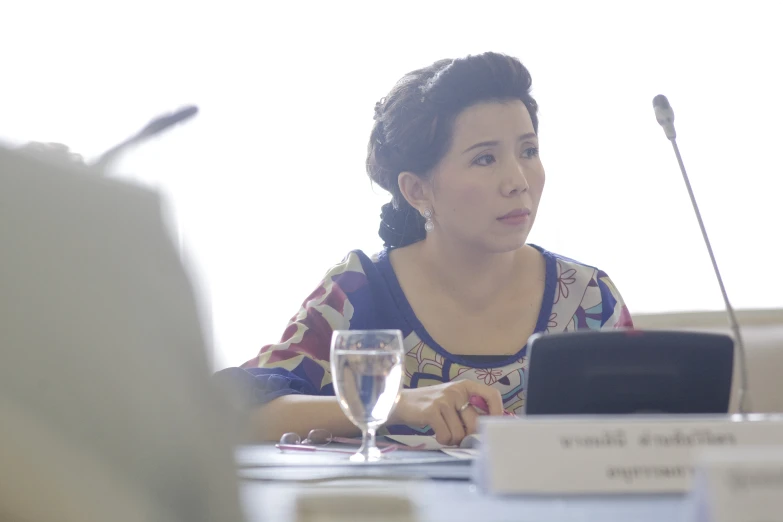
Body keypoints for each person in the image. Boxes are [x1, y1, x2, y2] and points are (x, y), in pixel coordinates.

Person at [224, 51, 633, 447]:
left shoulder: (587, 299)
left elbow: (651, 430)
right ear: (417, 190)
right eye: (485, 159)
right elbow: (232, 412)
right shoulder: (357, 294)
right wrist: (394, 405)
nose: (517, 181)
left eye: (528, 151)